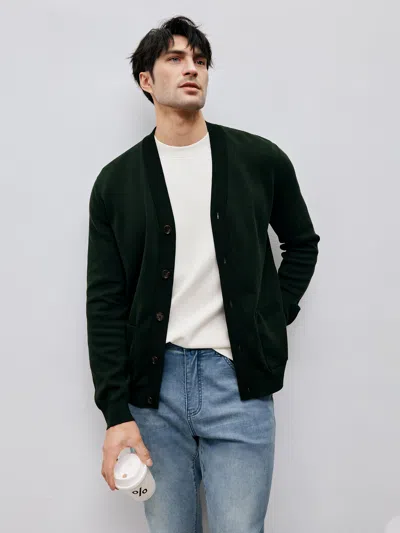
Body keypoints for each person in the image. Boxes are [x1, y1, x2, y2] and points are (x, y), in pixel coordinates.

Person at [86, 15, 320, 533]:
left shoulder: (260, 160)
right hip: (154, 390)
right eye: (175, 58)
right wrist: (115, 413)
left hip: (237, 382)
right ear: (146, 80)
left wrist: (270, 316)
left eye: (200, 60)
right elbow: (104, 304)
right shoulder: (116, 183)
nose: (192, 68)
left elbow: (302, 244)